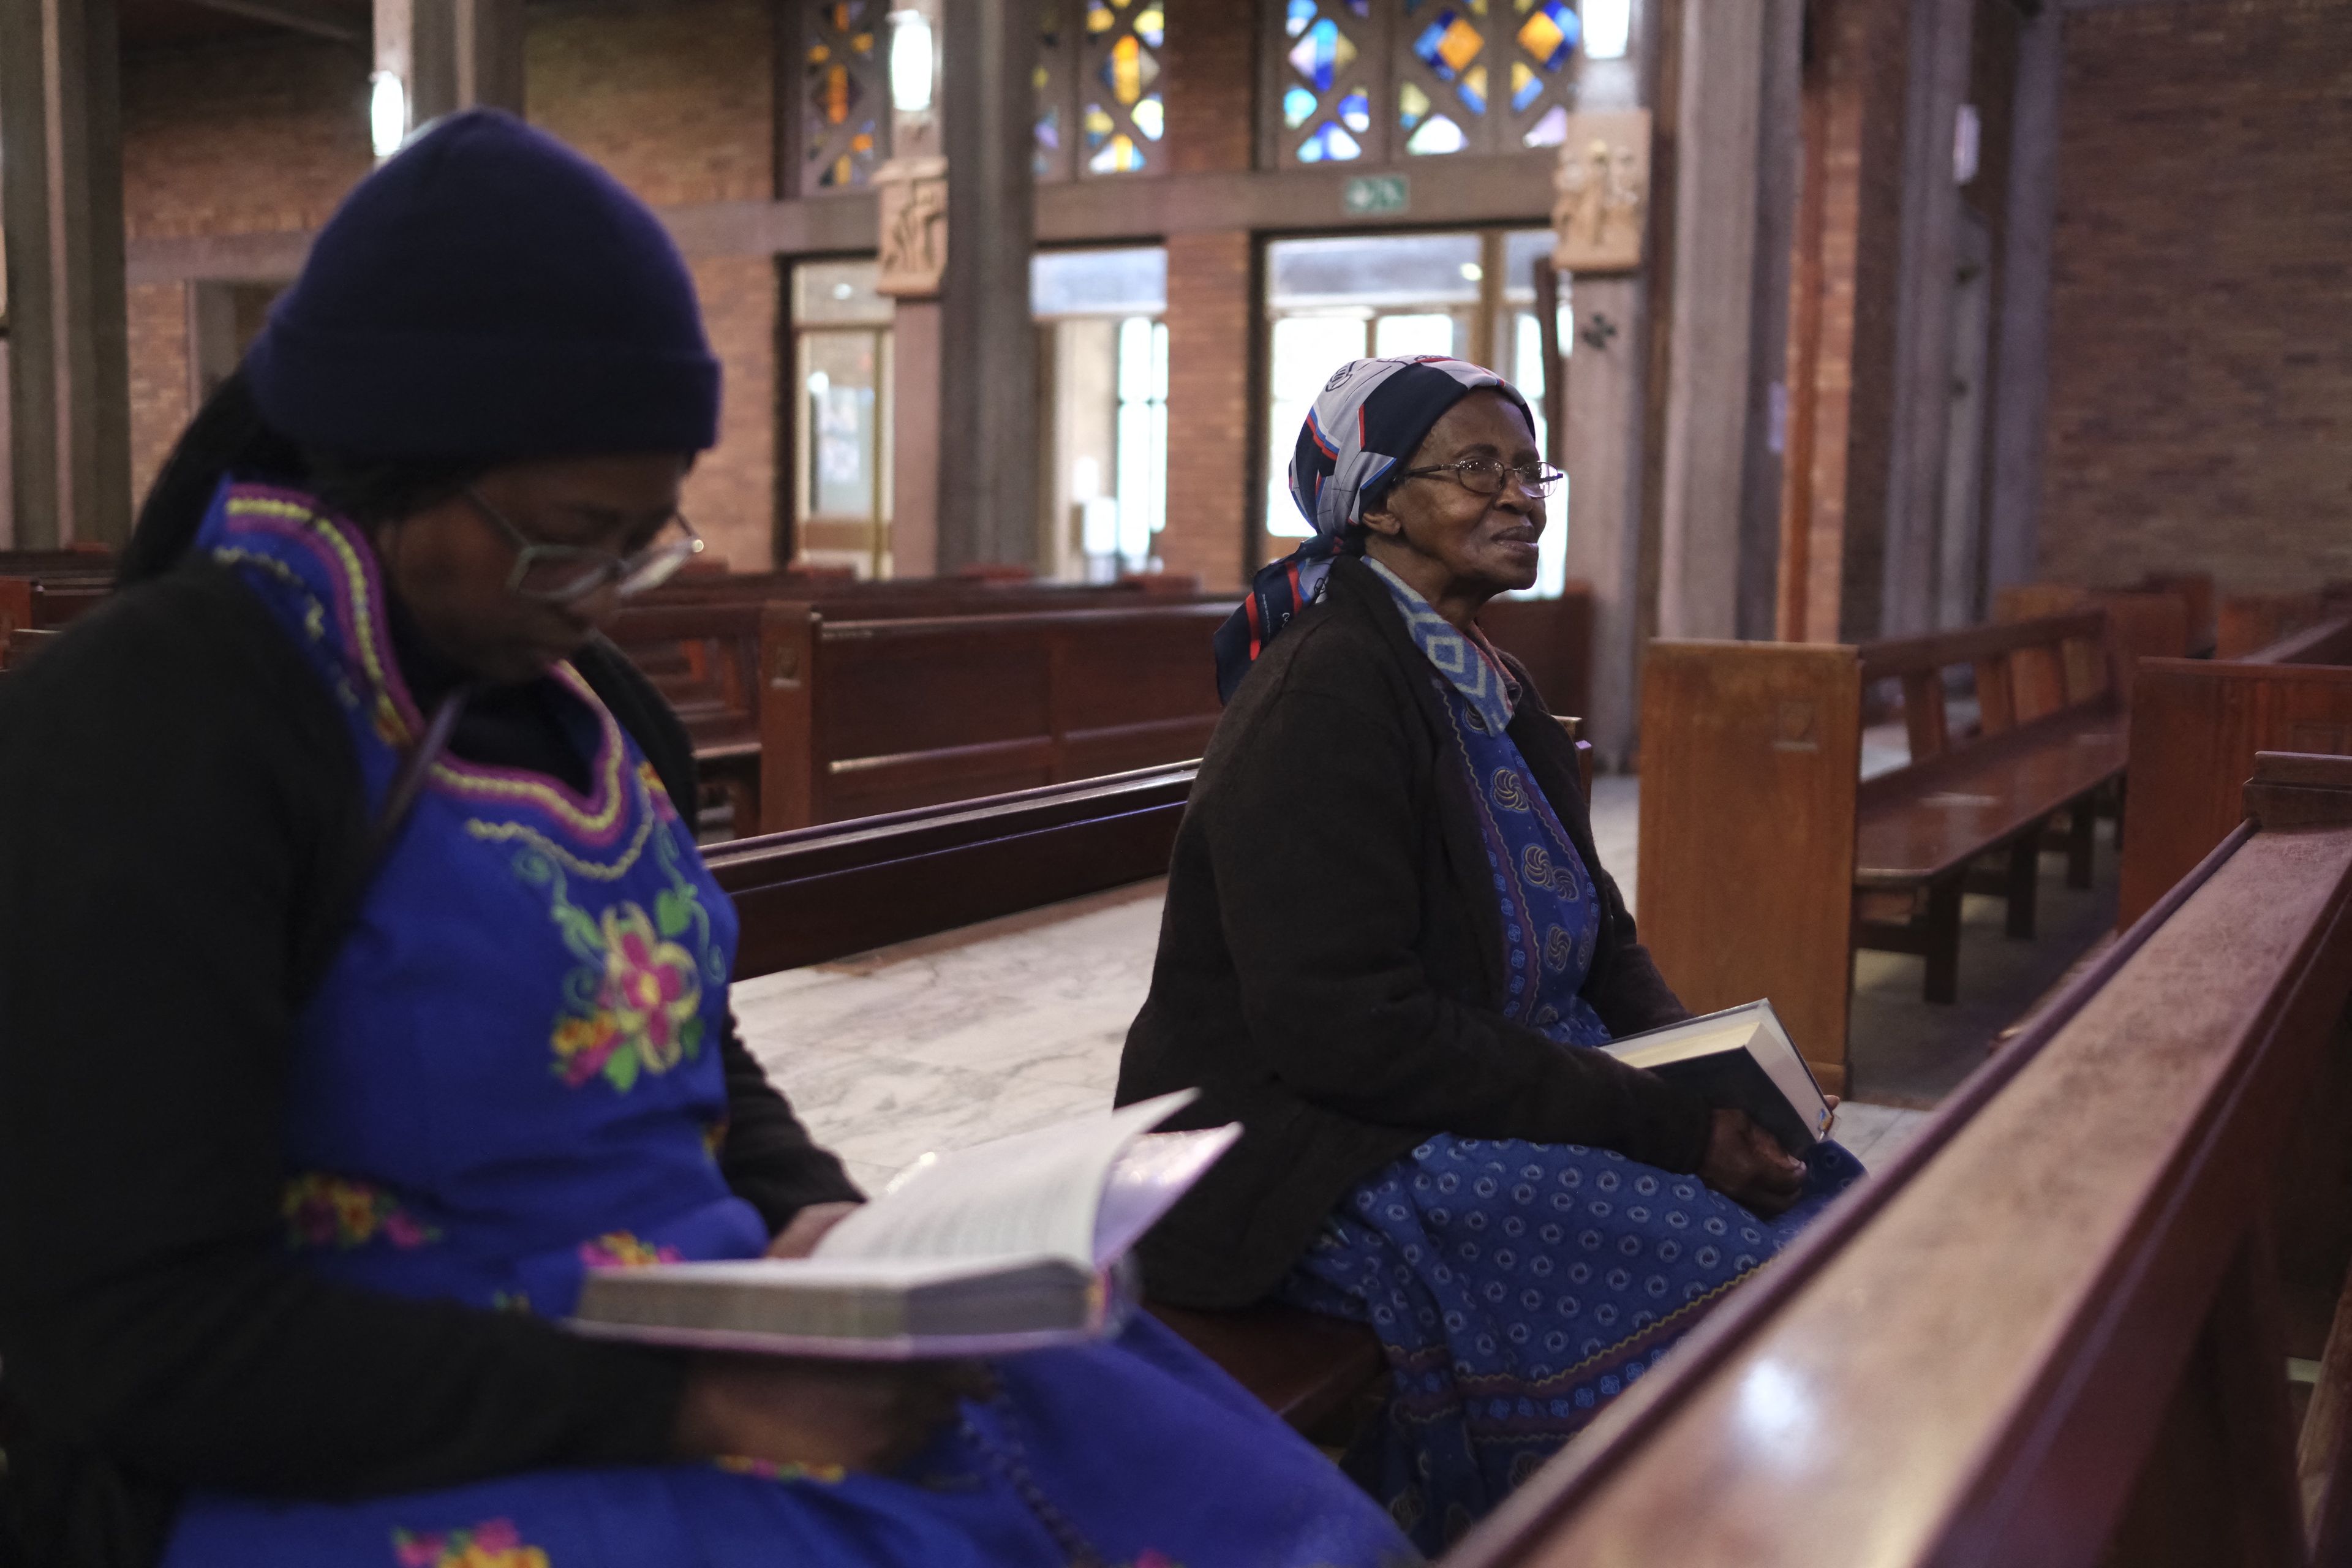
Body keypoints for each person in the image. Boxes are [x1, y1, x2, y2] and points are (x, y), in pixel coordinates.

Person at [0, 113, 1415, 1568]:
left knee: (1172, 1460)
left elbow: (680, 1050)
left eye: (647, 535)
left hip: (692, 1322)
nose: (606, 592)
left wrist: (815, 1224)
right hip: (372, 1419)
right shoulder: (166, 725)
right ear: (385, 462)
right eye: (568, 534)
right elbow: (131, 1331)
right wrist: (693, 1399)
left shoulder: (583, 701)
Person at [1118, 355, 1864, 1553]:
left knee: (1824, 1197)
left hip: (1473, 1085)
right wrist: (1663, 1128)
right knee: (1712, 1262)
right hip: (1312, 1140)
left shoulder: (1488, 683)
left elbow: (1601, 936)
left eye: (1531, 469)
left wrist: (1713, 1078)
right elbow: (1346, 1031)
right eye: (1478, 469)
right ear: (1374, 500)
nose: (1522, 497)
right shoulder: (1323, 692)